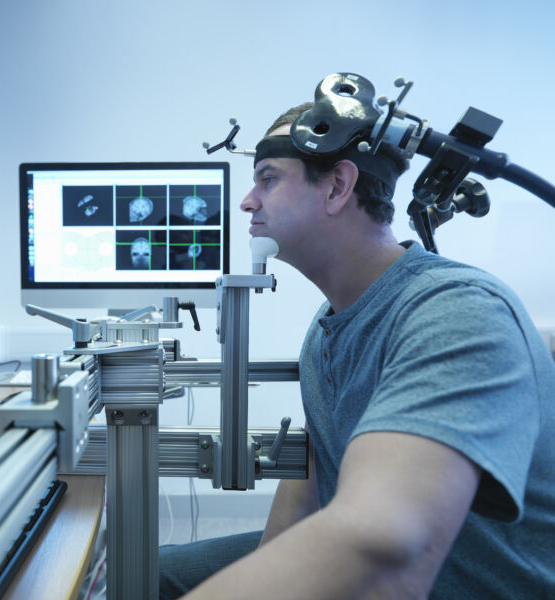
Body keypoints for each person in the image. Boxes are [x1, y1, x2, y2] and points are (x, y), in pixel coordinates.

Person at [159, 101, 555, 599]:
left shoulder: (455, 312)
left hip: (464, 585)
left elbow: (381, 546)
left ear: (337, 186)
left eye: (267, 179)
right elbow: (311, 479)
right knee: (150, 574)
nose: (247, 201)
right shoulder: (328, 325)